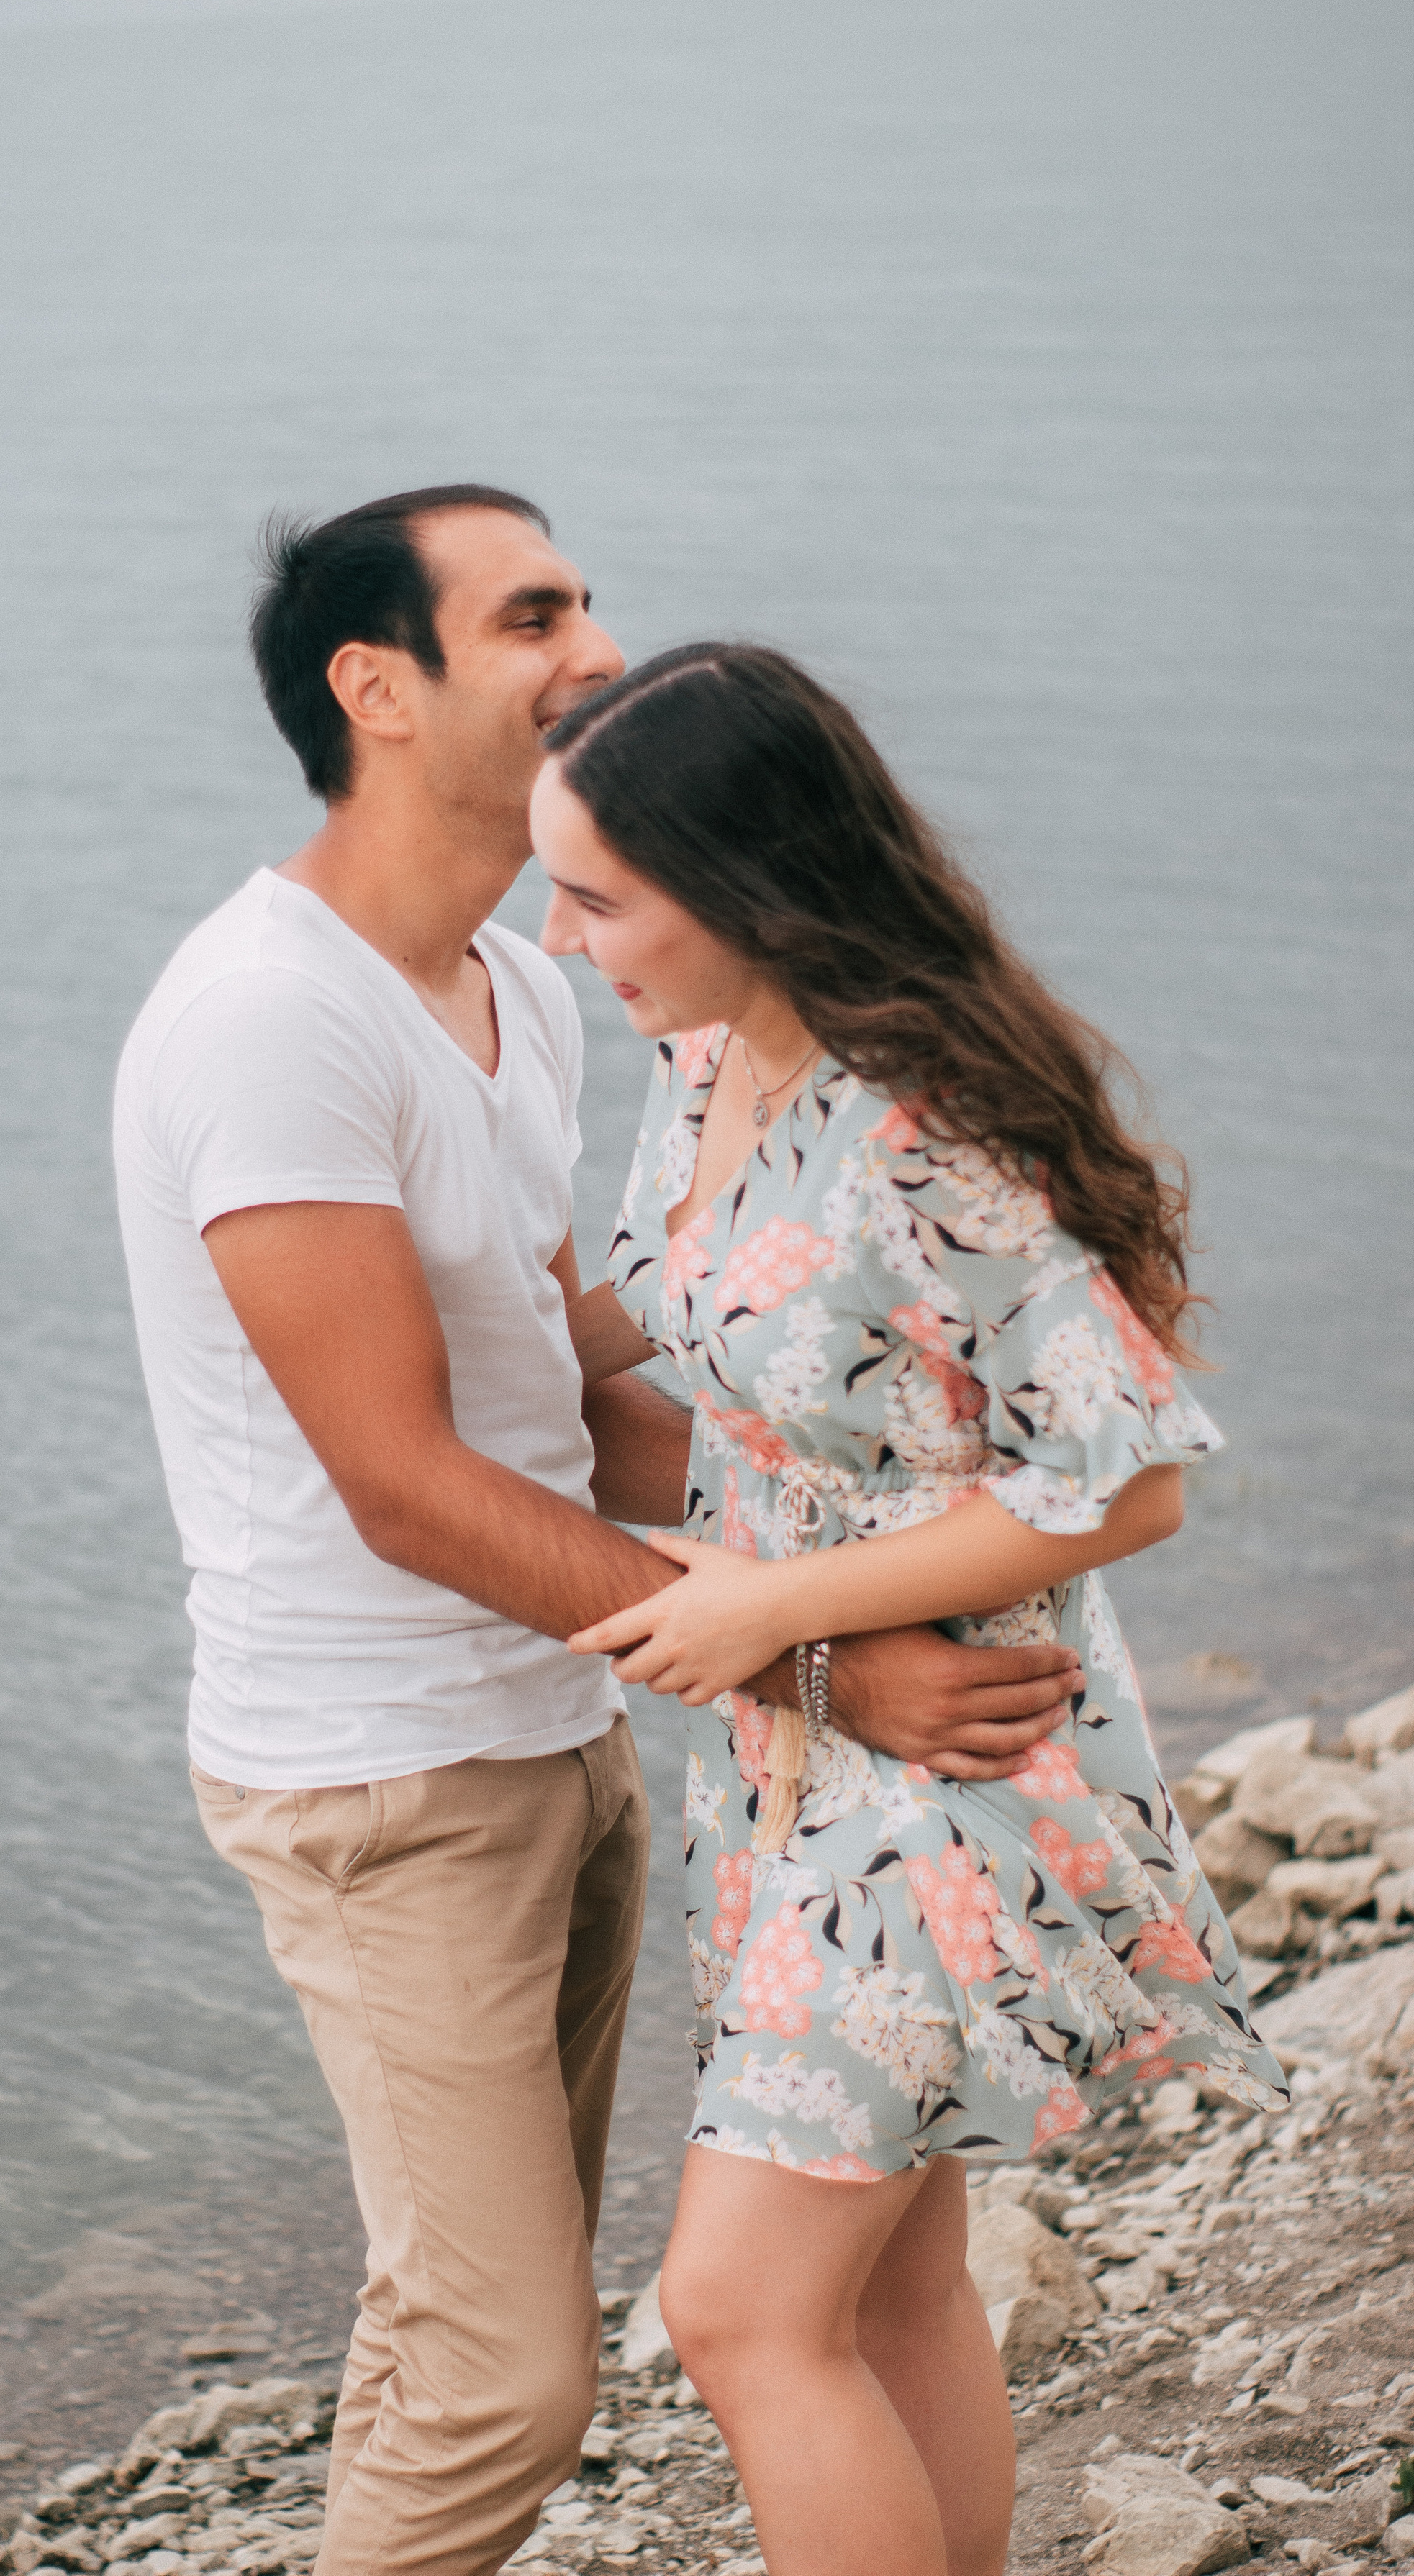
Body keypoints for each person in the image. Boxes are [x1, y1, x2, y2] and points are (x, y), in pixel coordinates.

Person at [114, 489, 1137, 2576]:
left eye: (588, 600)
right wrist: (835, 1652)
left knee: (569, 2315)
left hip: (572, 1726)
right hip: (384, 1767)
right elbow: (400, 1480)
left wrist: (889, 1553)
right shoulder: (269, 1019)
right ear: (376, 690)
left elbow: (582, 1384)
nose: (595, 649)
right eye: (535, 615)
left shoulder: (519, 981)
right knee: (502, 2372)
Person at [529, 640, 1290, 2576]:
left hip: (954, 1761)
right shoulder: (700, 1056)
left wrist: (776, 1606)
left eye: (601, 895)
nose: (562, 931)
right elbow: (650, 1304)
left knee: (739, 2310)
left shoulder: (926, 1132)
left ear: (748, 878)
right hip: (792, 1765)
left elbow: (1125, 1479)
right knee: (884, 2291)